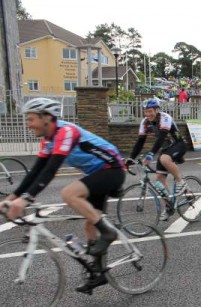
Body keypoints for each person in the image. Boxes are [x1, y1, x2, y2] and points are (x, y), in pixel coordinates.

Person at [0, 98, 126, 293]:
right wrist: (12, 197)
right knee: (89, 223)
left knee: (68, 193)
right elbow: (36, 172)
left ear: (47, 118)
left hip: (113, 169)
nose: (28, 124)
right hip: (97, 173)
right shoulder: (48, 141)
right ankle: (98, 273)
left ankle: (109, 233)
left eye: (31, 119)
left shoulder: (66, 132)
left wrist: (25, 200)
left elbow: (51, 170)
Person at [127, 98, 188, 221]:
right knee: (159, 180)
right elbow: (140, 141)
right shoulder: (145, 122)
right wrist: (130, 159)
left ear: (157, 110)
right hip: (166, 149)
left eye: (150, 111)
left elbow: (161, 137)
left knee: (165, 159)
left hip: (179, 144)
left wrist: (150, 154)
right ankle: (169, 207)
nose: (148, 114)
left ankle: (181, 182)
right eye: (146, 111)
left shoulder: (164, 117)